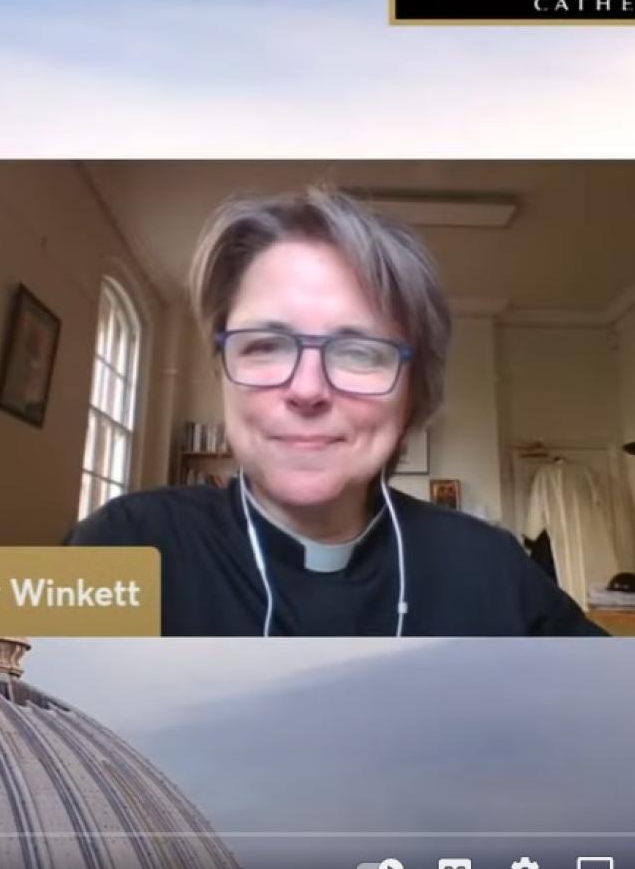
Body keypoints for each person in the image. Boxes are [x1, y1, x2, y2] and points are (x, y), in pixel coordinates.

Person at [66, 186, 605, 636]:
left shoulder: (490, 568)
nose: (306, 389)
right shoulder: (124, 546)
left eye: (358, 353)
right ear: (222, 372)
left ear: (414, 392)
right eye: (265, 345)